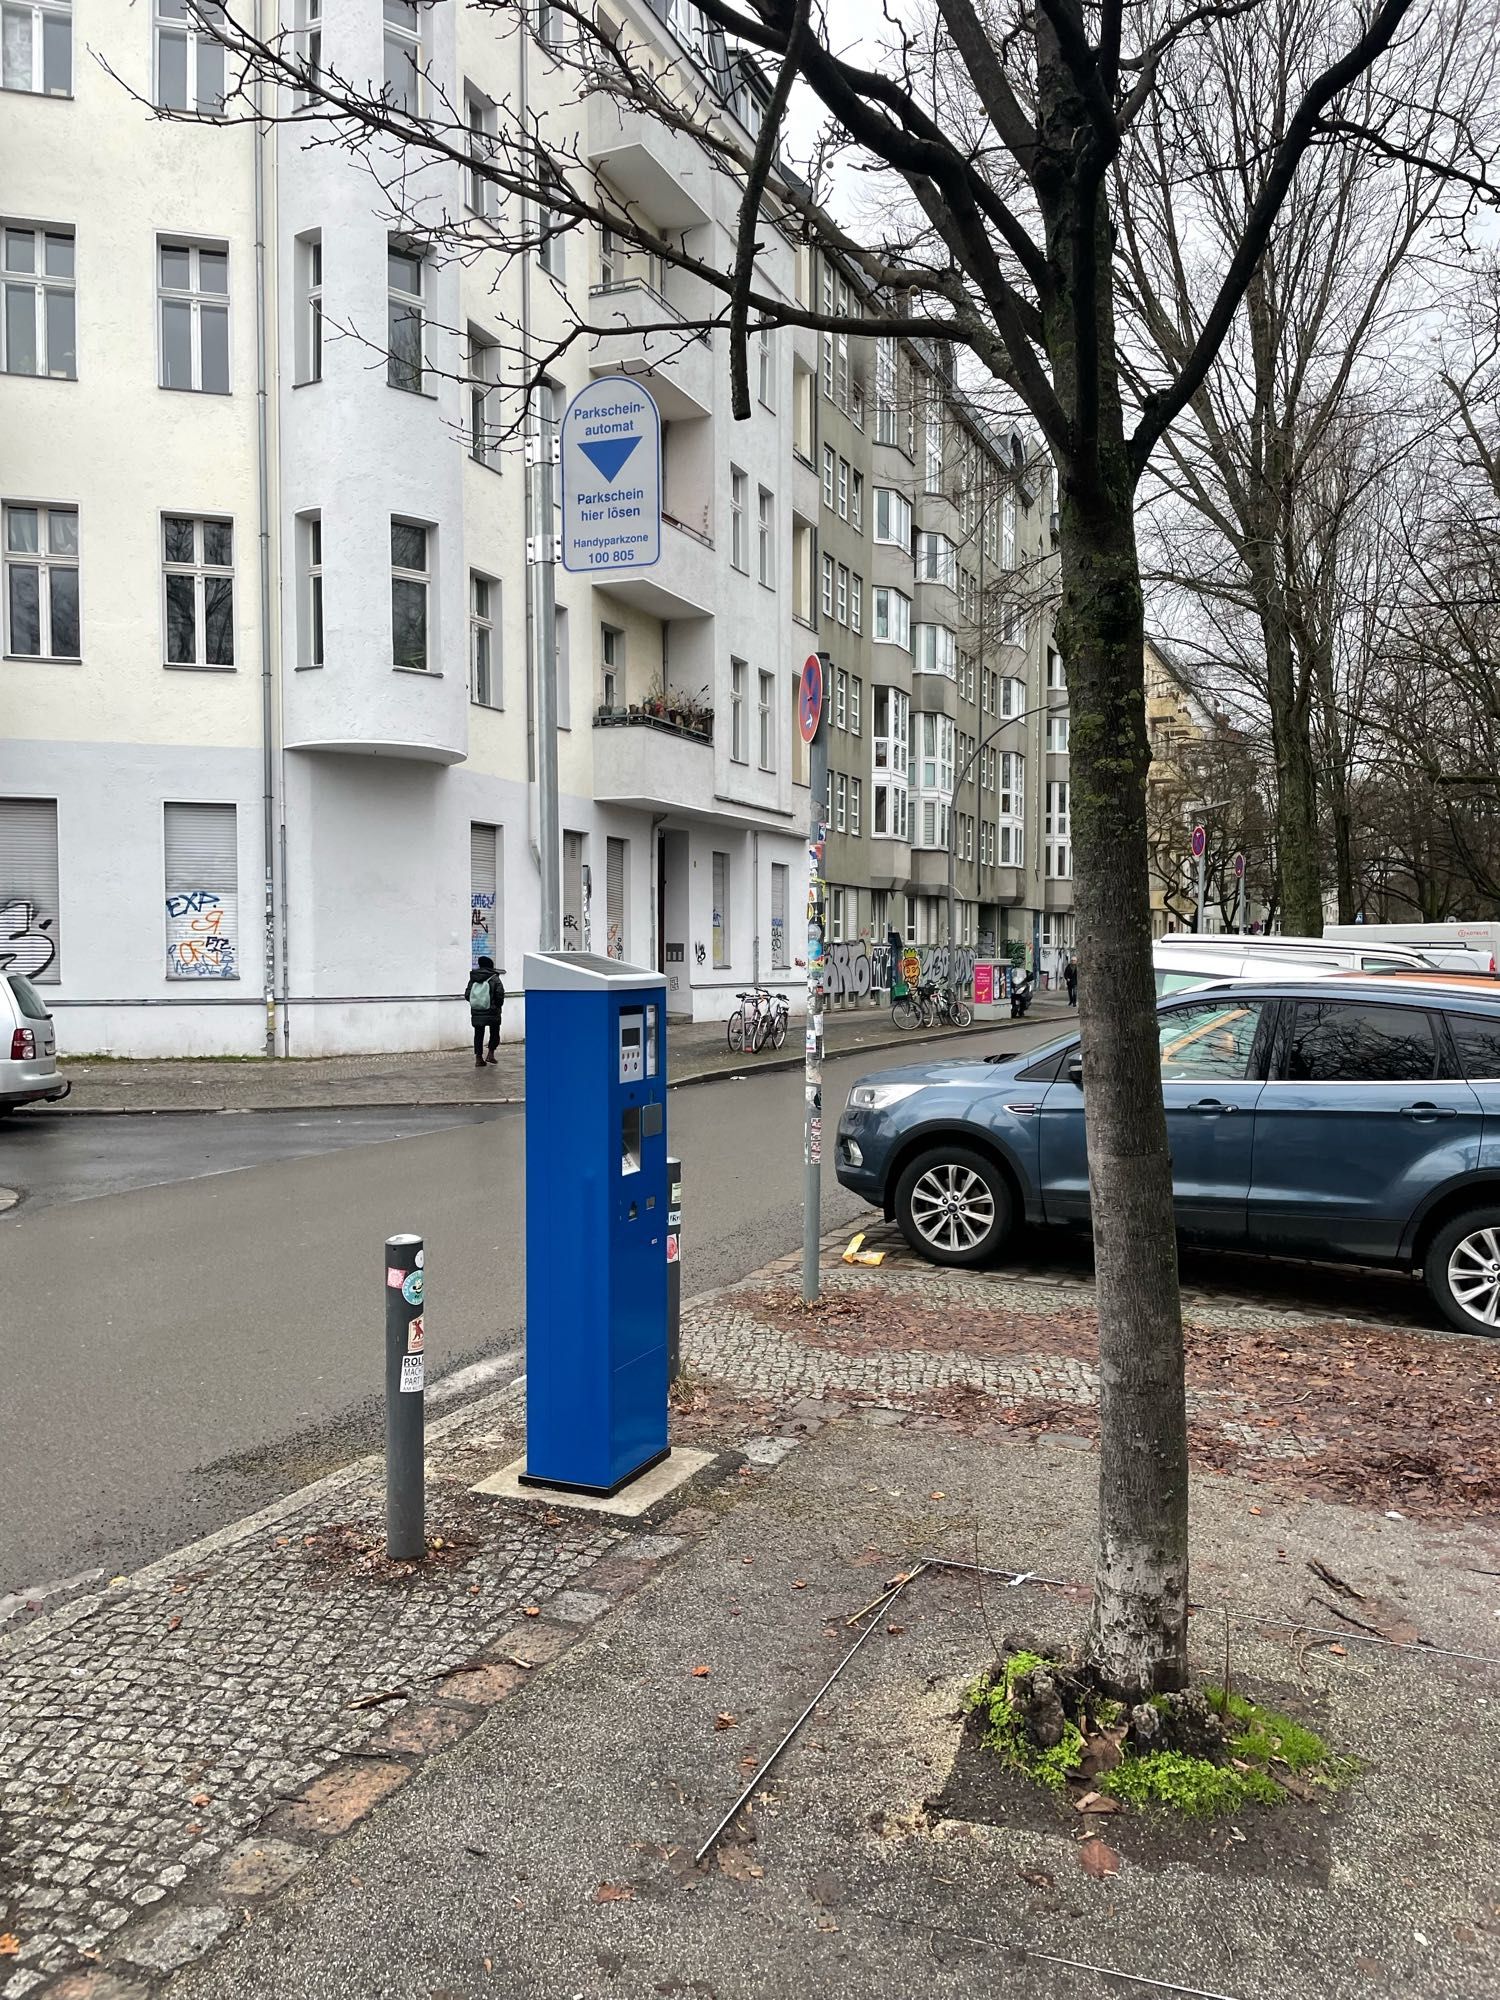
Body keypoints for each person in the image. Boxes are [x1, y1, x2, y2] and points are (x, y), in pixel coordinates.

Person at [467, 955, 505, 1067]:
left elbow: (467, 994)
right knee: (494, 1032)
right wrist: (497, 1006)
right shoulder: (494, 978)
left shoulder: (473, 978)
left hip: (477, 1010)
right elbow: (500, 994)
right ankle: (490, 1054)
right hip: (493, 1010)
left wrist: (476, 1003)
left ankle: (478, 1058)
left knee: (478, 1034)